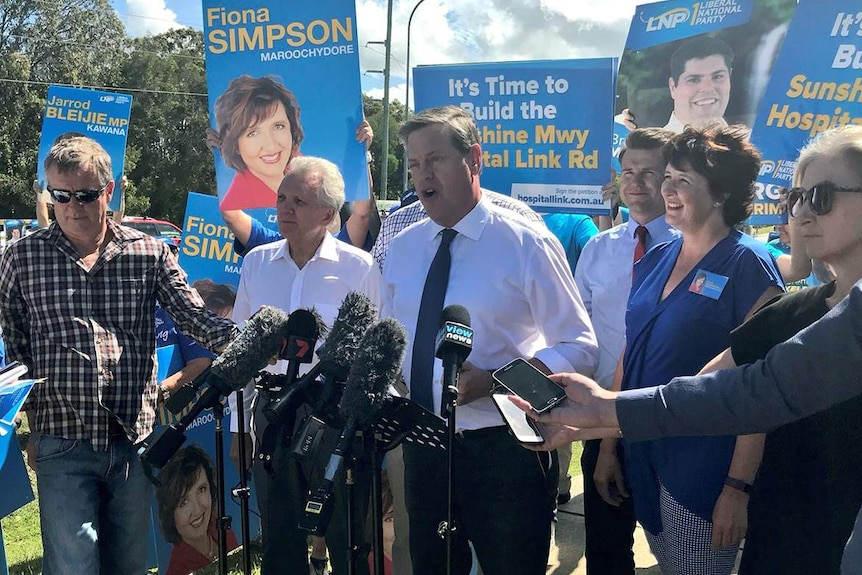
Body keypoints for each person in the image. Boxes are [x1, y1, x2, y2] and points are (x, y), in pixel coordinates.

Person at [0, 136, 237, 575]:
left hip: (134, 438)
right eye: (61, 195)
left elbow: (194, 317)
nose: (73, 206)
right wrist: (29, 422)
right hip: (62, 437)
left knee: (129, 564)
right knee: (74, 566)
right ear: (49, 194)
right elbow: (16, 349)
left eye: (87, 194)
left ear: (110, 191)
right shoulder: (21, 257)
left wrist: (253, 341)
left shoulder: (148, 252)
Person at [509, 280, 862, 575]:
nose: (803, 214)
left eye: (823, 197)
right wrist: (599, 421)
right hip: (784, 534)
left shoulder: (751, 268)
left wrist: (606, 413)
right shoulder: (799, 310)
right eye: (799, 200)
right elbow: (736, 392)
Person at [383, 105, 598, 575]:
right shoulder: (401, 248)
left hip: (504, 448)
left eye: (435, 159)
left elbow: (580, 345)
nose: (423, 176)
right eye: (415, 165)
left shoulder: (525, 243)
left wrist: (500, 381)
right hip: (424, 445)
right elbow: (391, 335)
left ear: (474, 160)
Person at [596, 125, 782, 574]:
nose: (669, 191)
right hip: (645, 451)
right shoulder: (658, 255)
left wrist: (737, 488)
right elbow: (631, 351)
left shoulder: (751, 265)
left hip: (705, 467)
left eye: (684, 181)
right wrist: (607, 447)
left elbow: (759, 388)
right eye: (669, 178)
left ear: (720, 194)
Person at [228, 156, 380, 575]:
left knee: (348, 540)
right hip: (272, 413)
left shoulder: (359, 268)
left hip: (334, 417)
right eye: (281, 198)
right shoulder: (256, 262)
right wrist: (241, 429)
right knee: (279, 542)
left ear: (329, 214)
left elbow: (376, 356)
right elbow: (242, 350)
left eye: (299, 200)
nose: (285, 208)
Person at [573, 127, 678, 575]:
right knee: (606, 546)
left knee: (681, 549)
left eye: (648, 172)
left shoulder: (695, 247)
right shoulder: (599, 249)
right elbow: (579, 330)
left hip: (672, 417)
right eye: (627, 171)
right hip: (602, 415)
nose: (635, 182)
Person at [156, 445, 238, 575]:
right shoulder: (178, 570)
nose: (198, 508)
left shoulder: (217, 524)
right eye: (184, 502)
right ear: (170, 515)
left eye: (202, 489)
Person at [663, 36, 733, 133]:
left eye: (718, 76)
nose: (708, 88)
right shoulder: (649, 147)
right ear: (673, 87)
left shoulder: (753, 141)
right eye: (694, 80)